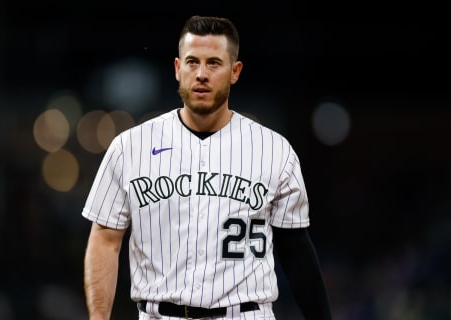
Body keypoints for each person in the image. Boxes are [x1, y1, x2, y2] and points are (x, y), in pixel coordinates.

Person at [82, 15, 332, 320]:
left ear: (235, 71)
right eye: (192, 62)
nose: (201, 74)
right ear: (177, 68)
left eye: (214, 63)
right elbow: (105, 240)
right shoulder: (129, 147)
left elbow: (295, 249)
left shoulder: (274, 150)